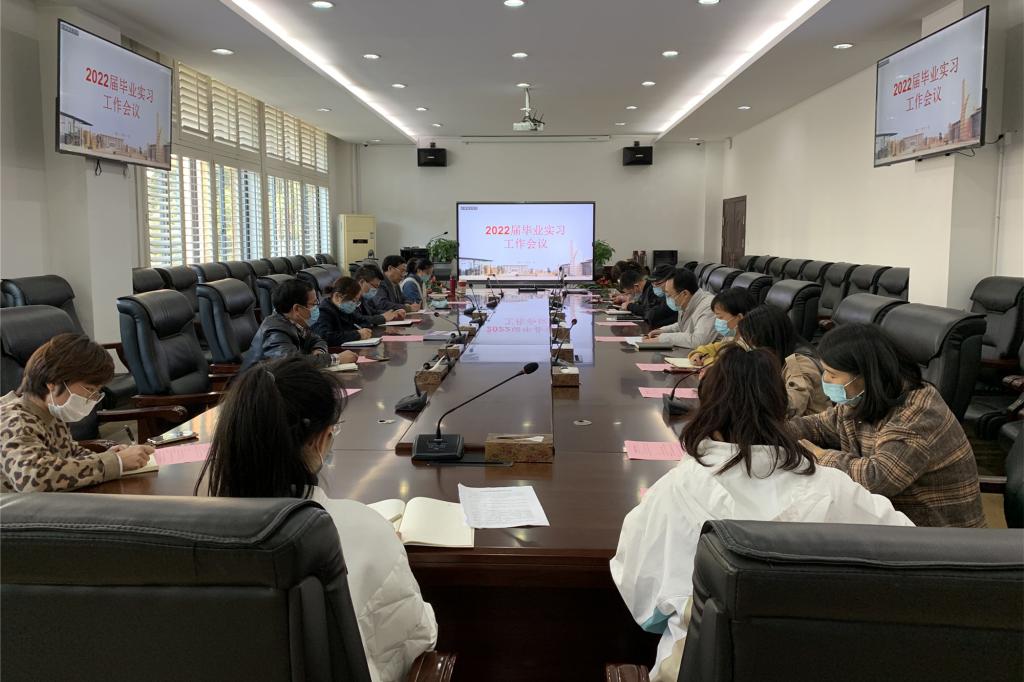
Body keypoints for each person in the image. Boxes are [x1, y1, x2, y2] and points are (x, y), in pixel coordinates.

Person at [611, 345, 913, 682]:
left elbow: (643, 606)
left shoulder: (675, 490)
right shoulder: (833, 489)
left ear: (707, 404)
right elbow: (914, 555)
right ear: (781, 407)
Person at [195, 356, 437, 682]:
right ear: (321, 439)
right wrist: (384, 545)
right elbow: (417, 640)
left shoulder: (188, 536)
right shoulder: (364, 531)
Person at [790, 323, 985, 528]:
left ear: (866, 375)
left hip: (937, 535)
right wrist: (777, 431)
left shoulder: (918, 415)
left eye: (832, 374)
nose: (825, 380)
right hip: (888, 521)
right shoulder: (864, 397)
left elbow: (877, 478)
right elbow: (819, 425)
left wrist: (820, 456)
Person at [1, 333, 154, 492]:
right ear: (53, 382)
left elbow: (70, 455)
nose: (92, 398)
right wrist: (115, 462)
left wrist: (111, 455)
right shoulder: (14, 420)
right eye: (88, 389)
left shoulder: (50, 412)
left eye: (96, 392)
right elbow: (33, 479)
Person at [735, 305, 830, 418]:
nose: (752, 347)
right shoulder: (784, 350)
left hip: (811, 424)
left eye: (753, 342)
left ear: (765, 338)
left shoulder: (798, 363)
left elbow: (792, 405)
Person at [242, 278, 356, 371]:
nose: (317, 307)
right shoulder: (275, 331)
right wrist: (335, 358)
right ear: (297, 309)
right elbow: (292, 364)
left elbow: (318, 340)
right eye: (314, 304)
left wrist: (319, 352)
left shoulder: (296, 322)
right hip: (258, 387)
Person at [644, 267, 716, 349]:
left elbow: (698, 341)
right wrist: (663, 331)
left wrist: (663, 338)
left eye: (669, 295)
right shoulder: (686, 301)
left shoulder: (709, 307)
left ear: (685, 294)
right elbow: (682, 326)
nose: (668, 298)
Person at [687, 288, 756, 367]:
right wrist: (699, 353)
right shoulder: (733, 335)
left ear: (739, 317)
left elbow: (730, 364)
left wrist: (706, 360)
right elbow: (719, 347)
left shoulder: (750, 342)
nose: (717, 321)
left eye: (720, 317)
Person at [312, 276, 375, 346]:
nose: (354, 304)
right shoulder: (324, 311)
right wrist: (357, 334)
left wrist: (363, 330)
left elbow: (361, 320)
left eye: (357, 301)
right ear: (337, 296)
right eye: (353, 300)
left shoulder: (344, 309)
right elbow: (325, 337)